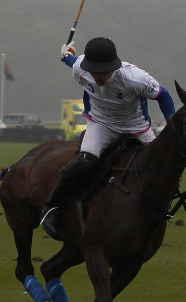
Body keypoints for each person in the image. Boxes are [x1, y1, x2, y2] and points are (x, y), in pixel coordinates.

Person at [39, 36, 175, 240]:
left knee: (163, 166)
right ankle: (51, 208)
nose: (98, 77)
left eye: (103, 72)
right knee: (83, 164)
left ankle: (158, 209)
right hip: (101, 124)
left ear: (114, 67)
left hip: (136, 128)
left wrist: (171, 125)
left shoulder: (135, 78)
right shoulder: (81, 69)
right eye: (94, 72)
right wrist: (66, 54)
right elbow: (71, 60)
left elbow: (164, 96)